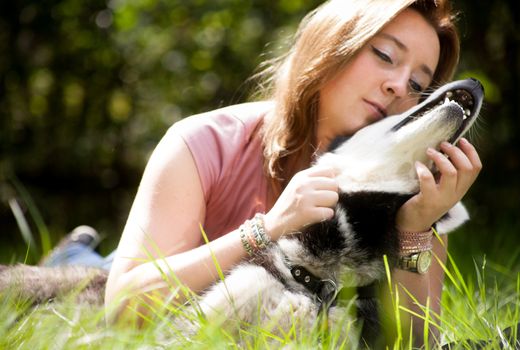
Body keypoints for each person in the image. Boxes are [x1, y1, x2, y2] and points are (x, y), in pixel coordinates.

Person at [44, 0, 480, 346]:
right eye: (385, 55)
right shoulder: (203, 142)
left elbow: (416, 341)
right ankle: (75, 251)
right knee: (93, 277)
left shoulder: (399, 184)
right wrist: (268, 228)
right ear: (331, 46)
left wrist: (417, 229)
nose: (398, 86)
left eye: (419, 86)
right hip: (166, 278)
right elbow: (125, 307)